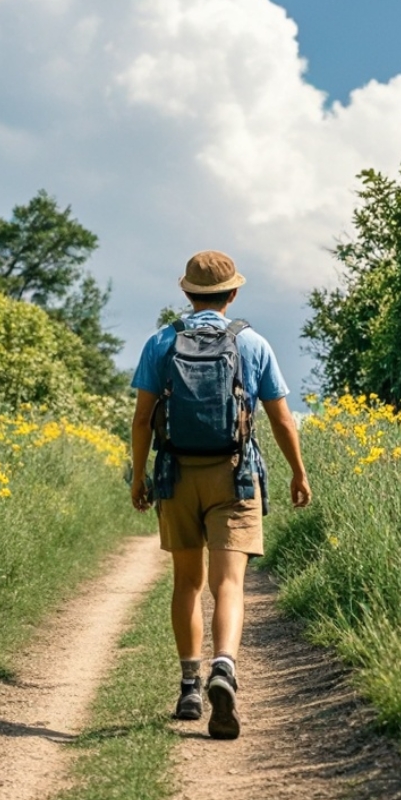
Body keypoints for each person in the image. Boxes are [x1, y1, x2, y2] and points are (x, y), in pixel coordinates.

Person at [129, 250, 312, 739]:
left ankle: (190, 685)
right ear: (233, 294)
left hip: (175, 474)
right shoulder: (251, 343)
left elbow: (143, 418)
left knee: (187, 581)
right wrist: (298, 472)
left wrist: (138, 476)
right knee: (228, 584)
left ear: (187, 294)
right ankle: (224, 668)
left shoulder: (160, 343)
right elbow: (279, 418)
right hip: (235, 473)